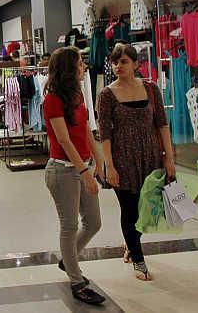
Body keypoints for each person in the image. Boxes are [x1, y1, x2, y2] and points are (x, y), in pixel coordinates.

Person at [97, 43, 175, 281]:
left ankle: (131, 245)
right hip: (123, 159)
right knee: (129, 210)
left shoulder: (151, 89)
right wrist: (109, 165)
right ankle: (139, 261)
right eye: (115, 61)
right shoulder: (107, 94)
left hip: (150, 157)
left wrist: (169, 159)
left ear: (136, 64)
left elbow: (162, 124)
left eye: (123, 61)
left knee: (146, 209)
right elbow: (105, 134)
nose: (118, 66)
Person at [43, 47, 105, 305]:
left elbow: (86, 132)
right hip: (63, 171)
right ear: (70, 68)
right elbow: (63, 140)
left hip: (82, 167)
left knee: (93, 222)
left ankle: (68, 260)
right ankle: (76, 281)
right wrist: (85, 172)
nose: (84, 66)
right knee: (69, 226)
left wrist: (100, 162)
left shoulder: (78, 95)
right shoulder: (53, 99)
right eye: (80, 62)